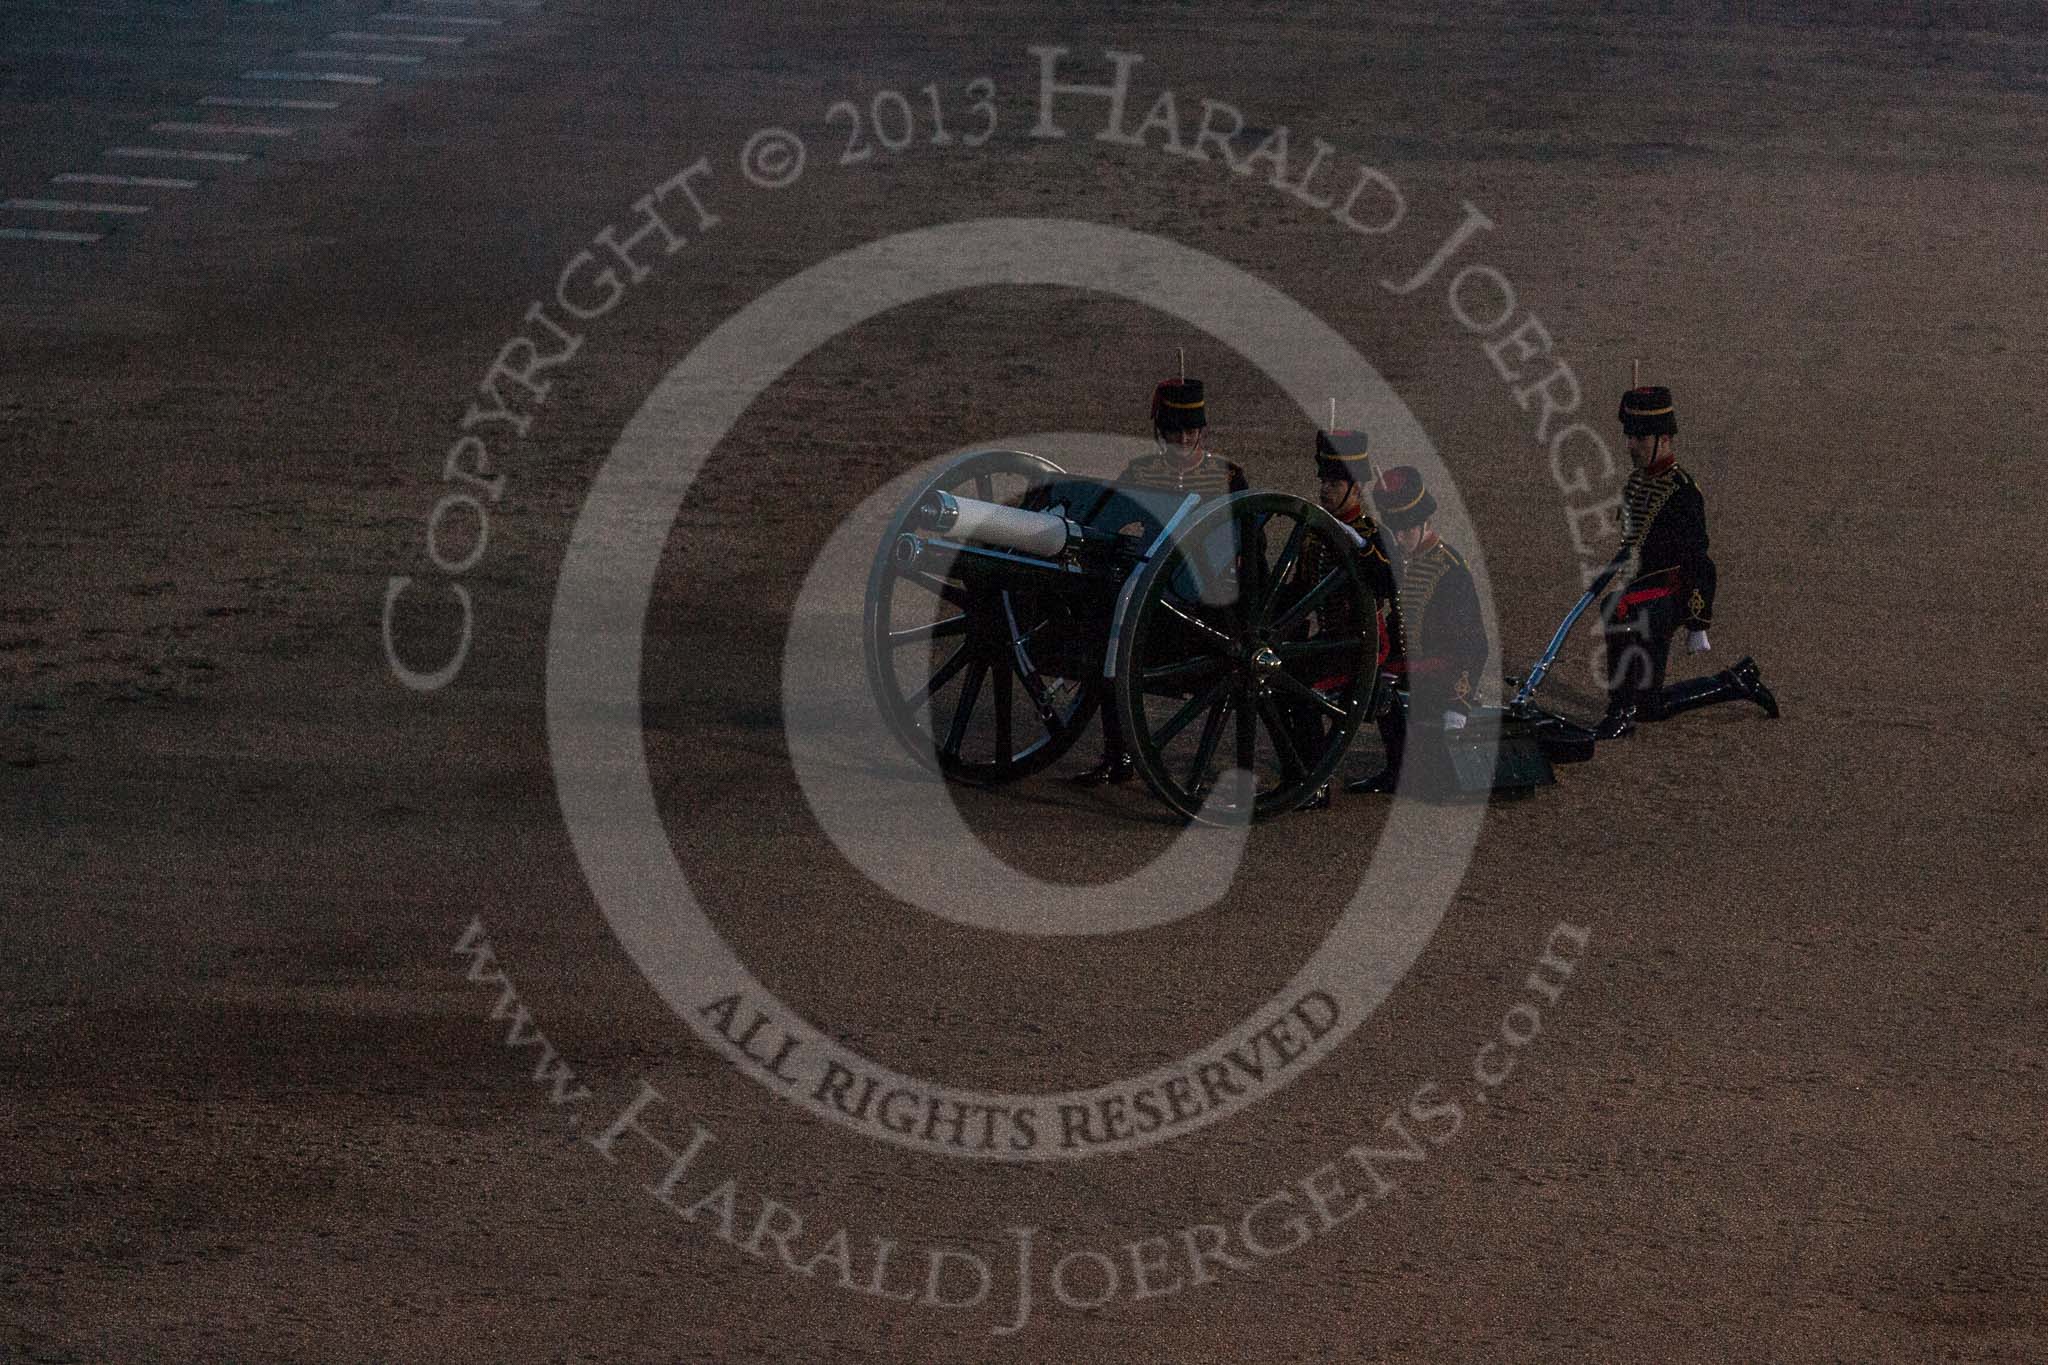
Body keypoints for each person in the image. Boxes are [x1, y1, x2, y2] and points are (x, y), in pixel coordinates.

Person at [1071, 376, 1249, 785]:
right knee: (1107, 643)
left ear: (1203, 430)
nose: (1183, 441)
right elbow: (1107, 522)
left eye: (1191, 431)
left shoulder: (1228, 478)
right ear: (1159, 433)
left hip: (1209, 605)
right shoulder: (1141, 472)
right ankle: (1118, 757)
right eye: (1173, 433)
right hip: (1148, 593)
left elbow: (1243, 549)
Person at [1596, 386, 1778, 740]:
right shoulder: (1639, 482)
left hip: (1676, 589)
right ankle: (1733, 683)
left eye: (1640, 437)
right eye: (1629, 435)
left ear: (1664, 439)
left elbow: (1698, 557)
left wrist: (1698, 621)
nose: (1631, 445)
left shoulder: (1682, 492)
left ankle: (1618, 711)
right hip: (1648, 584)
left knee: (1618, 609)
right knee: (1652, 706)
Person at [1344, 465, 1487, 795]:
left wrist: (1458, 704)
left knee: (1386, 681)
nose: (1398, 538)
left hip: (1445, 668)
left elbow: (1472, 645)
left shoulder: (1450, 570)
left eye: (1406, 530)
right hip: (1407, 662)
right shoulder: (1400, 561)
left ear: (1425, 523)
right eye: (1393, 530)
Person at [1289, 428, 1395, 809]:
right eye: (1323, 480)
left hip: (1362, 646)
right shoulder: (1314, 532)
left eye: (1335, 482)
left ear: (1356, 488)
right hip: (1330, 640)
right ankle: (1298, 772)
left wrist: (1361, 546)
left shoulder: (1370, 535)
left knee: (1299, 689)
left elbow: (1387, 579)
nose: (1324, 490)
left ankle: (1315, 783)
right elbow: (1298, 591)